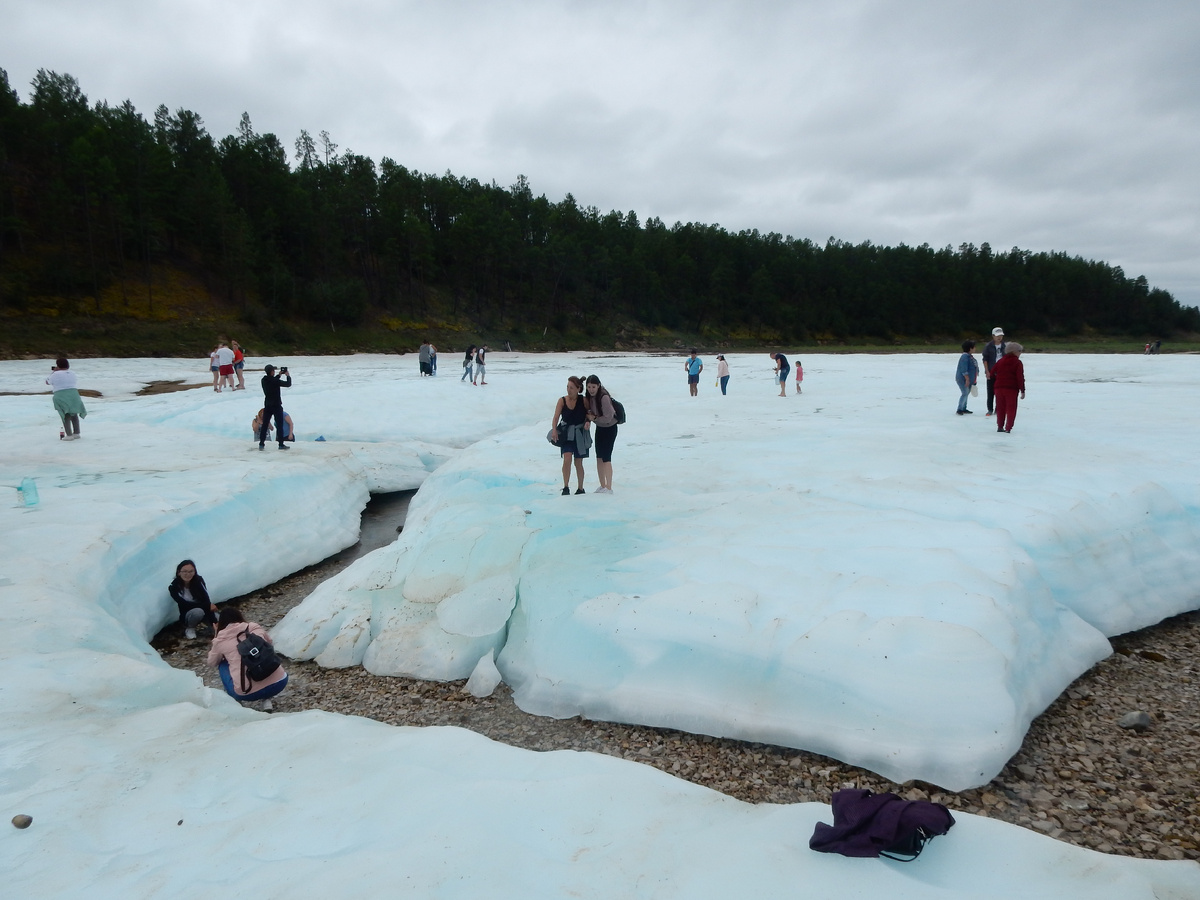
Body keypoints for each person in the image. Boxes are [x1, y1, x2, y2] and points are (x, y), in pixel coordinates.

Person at [206, 608, 288, 710]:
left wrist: (216, 635)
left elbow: (212, 662)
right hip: (280, 682)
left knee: (222, 663)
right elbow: (269, 642)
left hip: (248, 693)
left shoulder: (221, 640)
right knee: (262, 656)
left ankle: (237, 704)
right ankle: (267, 701)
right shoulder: (254, 628)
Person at [549, 376, 591, 494]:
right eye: (567, 387)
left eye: (571, 388)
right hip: (567, 434)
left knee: (578, 462)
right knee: (567, 458)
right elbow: (556, 417)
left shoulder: (583, 400)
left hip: (580, 434)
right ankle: (566, 486)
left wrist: (588, 422)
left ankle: (580, 488)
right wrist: (554, 430)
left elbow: (589, 414)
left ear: (578, 389)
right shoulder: (562, 400)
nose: (568, 389)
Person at [585, 374, 618, 494]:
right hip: (600, 428)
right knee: (599, 457)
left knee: (606, 457)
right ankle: (602, 485)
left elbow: (609, 417)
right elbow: (589, 412)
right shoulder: (589, 397)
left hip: (610, 428)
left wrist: (594, 419)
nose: (591, 389)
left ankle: (609, 488)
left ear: (598, 386)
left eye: (593, 387)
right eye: (589, 387)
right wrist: (589, 420)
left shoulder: (604, 397)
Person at [169, 559, 218, 640]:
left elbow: (206, 599)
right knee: (198, 612)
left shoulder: (198, 581)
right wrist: (207, 606)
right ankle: (190, 628)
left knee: (220, 620)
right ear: (179, 572)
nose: (188, 574)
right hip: (189, 614)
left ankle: (212, 628)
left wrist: (214, 622)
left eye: (191, 571)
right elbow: (184, 605)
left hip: (204, 610)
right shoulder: (174, 587)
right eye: (184, 571)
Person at [45, 357, 87, 440]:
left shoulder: (55, 374)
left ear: (58, 365)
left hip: (61, 394)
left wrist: (53, 372)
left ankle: (69, 435)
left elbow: (47, 382)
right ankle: (76, 433)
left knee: (65, 414)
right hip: (74, 394)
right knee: (74, 413)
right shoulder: (72, 373)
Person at [991, 342, 1026, 433]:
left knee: (1000, 408)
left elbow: (992, 373)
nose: (1020, 353)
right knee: (1011, 408)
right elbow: (1020, 377)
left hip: (998, 388)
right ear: (1014, 351)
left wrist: (999, 378)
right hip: (1011, 389)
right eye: (1019, 351)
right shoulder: (1017, 362)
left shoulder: (1000, 361)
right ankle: (1008, 428)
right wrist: (1022, 390)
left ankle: (1000, 426)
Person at [258, 364, 292, 450]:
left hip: (268, 405)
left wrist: (279, 375)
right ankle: (281, 444)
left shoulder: (264, 380)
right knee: (279, 425)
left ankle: (261, 443)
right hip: (276, 405)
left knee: (265, 425)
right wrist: (288, 376)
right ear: (272, 371)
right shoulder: (275, 381)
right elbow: (288, 384)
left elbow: (273, 380)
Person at [981, 327, 1007, 417]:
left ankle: (998, 409)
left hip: (1002, 372)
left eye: (1001, 336)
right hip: (992, 370)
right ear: (993, 336)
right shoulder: (988, 346)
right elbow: (985, 359)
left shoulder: (1005, 346)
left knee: (1000, 392)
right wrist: (987, 371)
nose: (999, 337)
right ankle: (990, 409)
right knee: (990, 391)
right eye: (997, 336)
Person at [955, 340, 979, 415]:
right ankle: (960, 409)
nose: (975, 348)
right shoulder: (965, 357)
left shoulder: (970, 357)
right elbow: (964, 369)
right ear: (970, 348)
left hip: (969, 379)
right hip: (963, 379)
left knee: (967, 393)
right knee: (964, 393)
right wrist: (967, 379)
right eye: (974, 347)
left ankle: (964, 408)